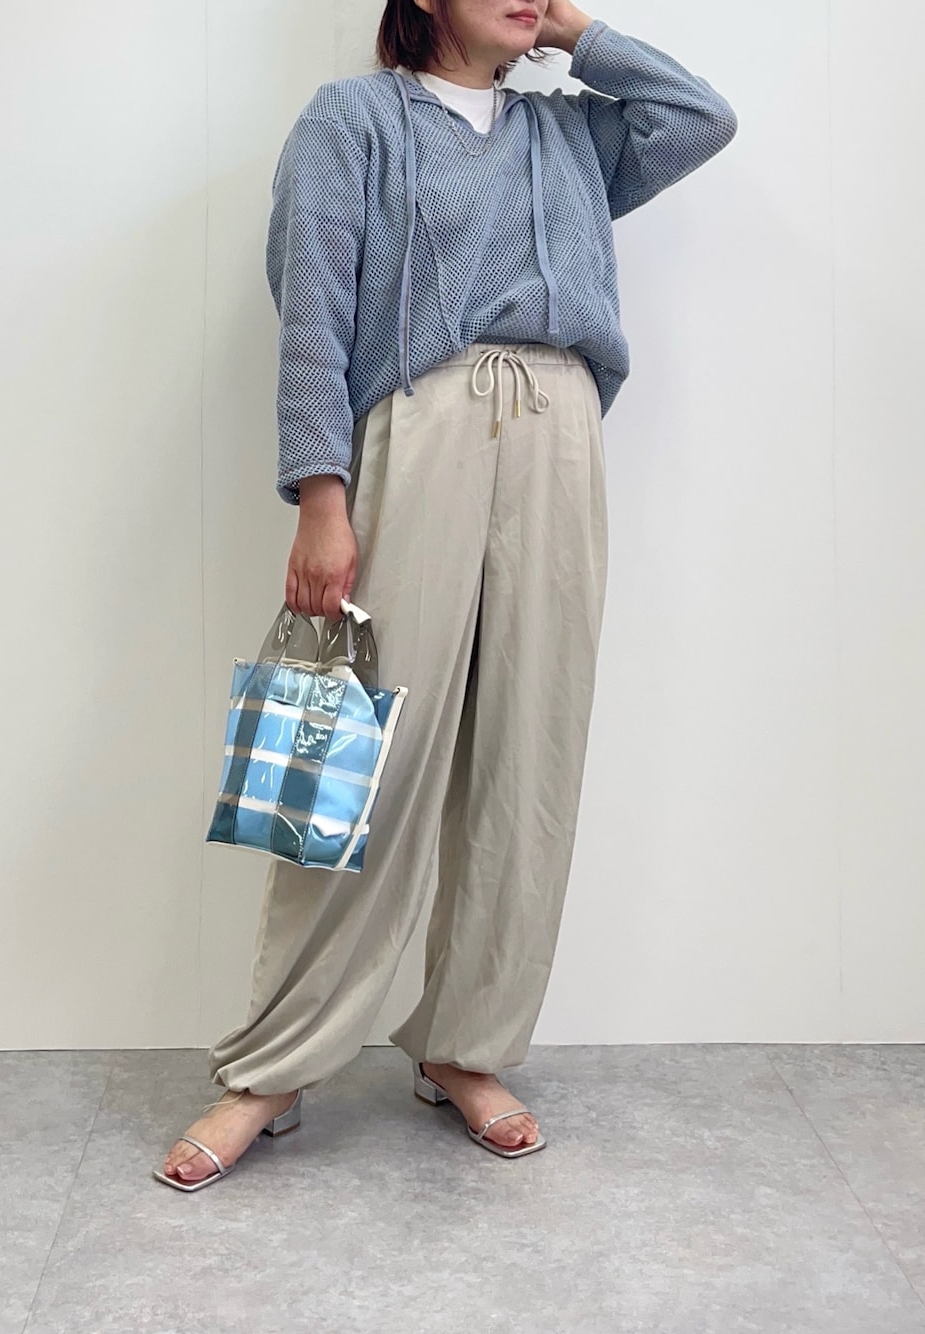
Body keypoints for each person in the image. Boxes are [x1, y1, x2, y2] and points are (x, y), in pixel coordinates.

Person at [155, 0, 736, 1190]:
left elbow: (700, 117)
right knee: (353, 750)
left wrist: (574, 34)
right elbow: (314, 313)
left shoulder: (568, 134)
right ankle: (273, 1064)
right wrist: (321, 495)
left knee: (530, 752)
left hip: (560, 428)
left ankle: (463, 1046)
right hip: (418, 426)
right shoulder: (351, 123)